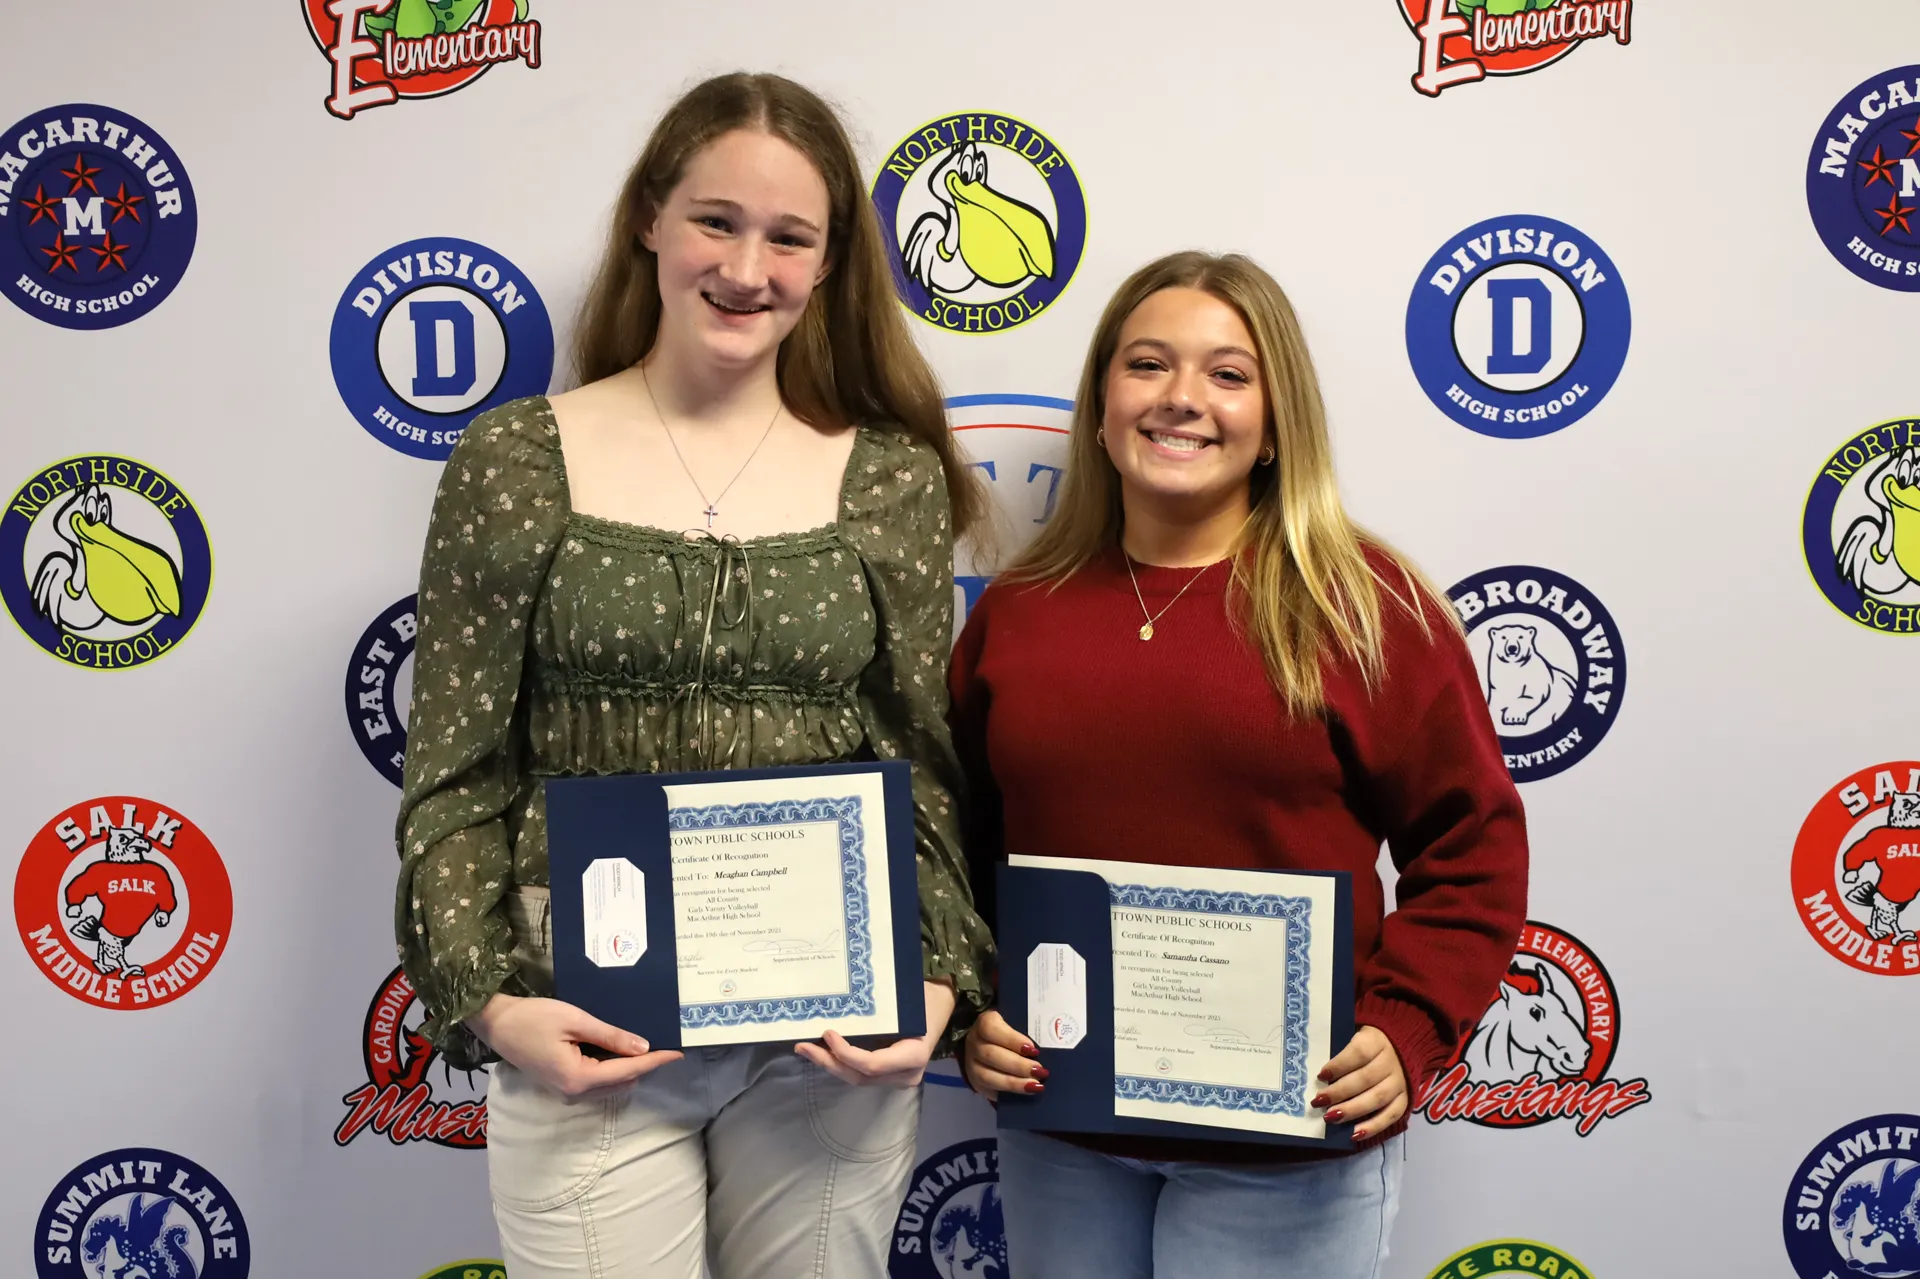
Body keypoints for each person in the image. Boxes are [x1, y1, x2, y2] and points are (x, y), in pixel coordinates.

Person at [394, 72, 994, 1279]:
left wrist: (936, 980)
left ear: (829, 266)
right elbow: (455, 774)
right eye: (717, 220)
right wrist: (495, 1007)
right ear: (649, 222)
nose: (748, 266)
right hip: (588, 1032)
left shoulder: (888, 478)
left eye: (790, 237)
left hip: (827, 1044)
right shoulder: (517, 459)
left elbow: (921, 765)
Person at [949, 251, 1530, 1279]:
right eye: (1147, 365)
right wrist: (975, 1002)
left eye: (1227, 373)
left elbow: (1472, 844)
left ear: (1276, 420)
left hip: (1290, 1142)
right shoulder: (1019, 614)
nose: (1182, 399)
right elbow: (961, 845)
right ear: (1099, 404)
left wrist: (1406, 1025)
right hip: (1064, 1133)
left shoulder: (1364, 604)